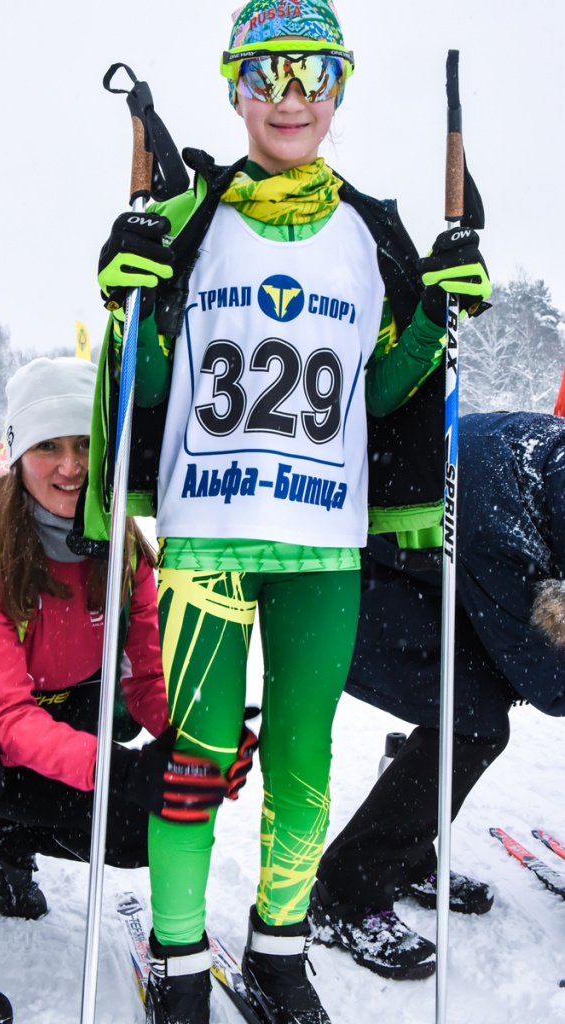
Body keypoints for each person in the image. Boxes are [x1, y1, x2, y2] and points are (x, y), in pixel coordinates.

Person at [89, 3, 491, 1021]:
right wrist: (123, 284)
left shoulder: (368, 231)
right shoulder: (192, 218)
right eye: (265, 74)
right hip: (206, 536)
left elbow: (389, 388)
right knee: (200, 754)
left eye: (315, 74)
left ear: (340, 92)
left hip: (324, 542)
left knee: (304, 755)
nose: (290, 95)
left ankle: (277, 951)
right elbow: (149, 369)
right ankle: (178, 959)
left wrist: (439, 317)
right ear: (234, 88)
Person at [0, 357, 240, 1024]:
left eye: (84, 446)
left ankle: (9, 838)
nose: (70, 466)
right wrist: (120, 768)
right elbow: (2, 713)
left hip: (30, 738)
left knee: (144, 821)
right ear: (18, 454)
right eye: (49, 446)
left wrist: (195, 742)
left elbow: (144, 677)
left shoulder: (124, 553)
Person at [310, 410, 565, 980]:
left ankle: (406, 852)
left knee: (470, 713)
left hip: (429, 570)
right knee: (471, 721)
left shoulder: (548, 470)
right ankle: (347, 890)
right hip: (354, 577)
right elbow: (540, 672)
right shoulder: (509, 526)